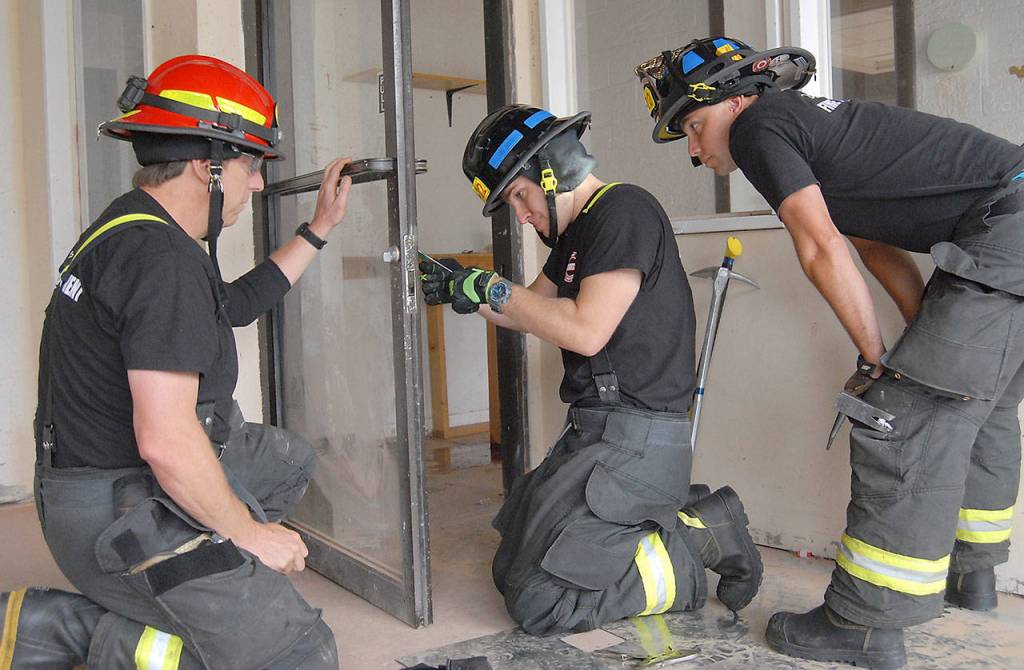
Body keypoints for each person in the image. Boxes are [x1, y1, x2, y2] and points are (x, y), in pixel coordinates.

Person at [636, 36, 1024, 669]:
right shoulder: (816, 131)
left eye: (694, 126)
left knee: (903, 419)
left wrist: (876, 362)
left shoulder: (760, 127)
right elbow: (873, 246)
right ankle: (973, 574)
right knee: (975, 406)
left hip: (1005, 229)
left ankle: (864, 625)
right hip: (1011, 225)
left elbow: (819, 247)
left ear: (734, 101)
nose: (694, 149)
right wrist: (914, 338)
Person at [1, 54, 350, 668]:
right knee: (300, 652)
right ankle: (66, 630)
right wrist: (249, 533)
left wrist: (318, 229)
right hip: (116, 507)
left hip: (93, 481)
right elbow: (165, 440)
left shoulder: (134, 226)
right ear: (204, 166)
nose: (257, 183)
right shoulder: (162, 262)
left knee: (286, 461)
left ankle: (205, 567)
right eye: (249, 164)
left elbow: (233, 306)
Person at [419, 104, 763, 636]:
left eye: (520, 196)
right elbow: (530, 310)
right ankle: (679, 520)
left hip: (636, 442)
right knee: (509, 567)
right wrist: (461, 287)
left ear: (551, 170)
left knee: (542, 603)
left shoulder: (623, 211)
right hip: (595, 432)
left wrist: (493, 288)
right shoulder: (577, 235)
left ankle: (701, 538)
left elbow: (585, 330)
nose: (521, 215)